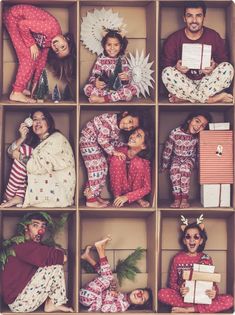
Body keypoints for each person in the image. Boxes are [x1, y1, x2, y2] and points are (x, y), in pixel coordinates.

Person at [0, 108, 76, 208]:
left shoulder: (56, 138)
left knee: (23, 152)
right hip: (45, 186)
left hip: (58, 191)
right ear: (31, 123)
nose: (38, 122)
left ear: (49, 123)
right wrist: (22, 137)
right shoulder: (38, 144)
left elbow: (38, 167)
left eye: (42, 119)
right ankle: (17, 196)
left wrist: (19, 156)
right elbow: (10, 152)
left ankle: (10, 195)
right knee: (24, 150)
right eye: (35, 119)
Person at [161, 1, 234, 104]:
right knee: (167, 73)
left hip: (208, 83)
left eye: (198, 15)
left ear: (204, 17)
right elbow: (165, 68)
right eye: (190, 16)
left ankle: (186, 99)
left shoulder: (213, 36)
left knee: (228, 68)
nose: (194, 20)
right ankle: (211, 100)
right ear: (184, 18)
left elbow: (224, 62)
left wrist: (214, 66)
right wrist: (177, 68)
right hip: (184, 84)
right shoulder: (173, 39)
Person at [158, 216, 233, 313]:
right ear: (184, 241)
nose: (192, 240)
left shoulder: (206, 259)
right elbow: (172, 283)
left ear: (201, 241)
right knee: (161, 293)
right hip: (183, 297)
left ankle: (189, 310)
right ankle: (198, 309)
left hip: (203, 298)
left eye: (196, 237)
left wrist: (213, 292)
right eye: (188, 237)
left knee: (230, 300)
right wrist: (181, 289)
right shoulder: (177, 258)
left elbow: (213, 284)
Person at [1, 212, 73, 313]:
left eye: (43, 226)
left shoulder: (26, 245)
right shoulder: (23, 246)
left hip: (20, 299)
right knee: (55, 266)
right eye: (35, 225)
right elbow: (63, 258)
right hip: (20, 303)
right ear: (26, 227)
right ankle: (54, 303)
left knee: (51, 263)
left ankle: (50, 303)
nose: (41, 230)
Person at [3, 4, 76, 103]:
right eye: (63, 47)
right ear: (66, 39)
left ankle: (21, 88)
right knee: (28, 58)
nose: (57, 47)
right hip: (14, 17)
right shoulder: (51, 28)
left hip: (16, 21)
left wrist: (35, 82)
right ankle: (16, 92)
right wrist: (32, 44)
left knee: (34, 57)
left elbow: (41, 62)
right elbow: (22, 24)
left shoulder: (49, 44)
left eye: (58, 51)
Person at [80, 111, 142, 208]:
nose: (128, 126)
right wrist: (114, 152)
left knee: (103, 168)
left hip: (95, 144)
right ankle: (90, 199)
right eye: (130, 121)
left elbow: (112, 142)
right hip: (88, 141)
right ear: (125, 114)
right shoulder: (110, 121)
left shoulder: (116, 127)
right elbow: (102, 139)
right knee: (97, 169)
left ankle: (95, 195)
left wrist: (125, 145)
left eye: (132, 127)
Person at [80, 236, 152, 312]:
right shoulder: (123, 296)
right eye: (141, 291)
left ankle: (100, 249)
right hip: (90, 293)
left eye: (142, 299)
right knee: (109, 278)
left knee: (108, 278)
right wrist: (112, 287)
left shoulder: (123, 306)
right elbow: (108, 292)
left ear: (137, 305)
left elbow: (105, 309)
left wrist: (111, 295)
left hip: (88, 299)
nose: (139, 295)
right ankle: (87, 257)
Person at [161, 111, 212, 208]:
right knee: (174, 170)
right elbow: (168, 149)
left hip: (189, 159)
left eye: (203, 126)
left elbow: (199, 152)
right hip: (176, 158)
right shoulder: (175, 132)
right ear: (189, 120)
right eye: (197, 121)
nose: (198, 126)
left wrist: (199, 166)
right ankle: (177, 198)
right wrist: (164, 164)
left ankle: (184, 199)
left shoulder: (198, 137)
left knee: (184, 169)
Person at [84, 29, 137, 103]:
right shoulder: (100, 60)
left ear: (121, 46)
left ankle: (102, 99)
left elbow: (128, 80)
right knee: (87, 88)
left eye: (116, 45)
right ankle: (110, 98)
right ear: (104, 45)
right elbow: (92, 77)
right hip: (104, 90)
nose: (112, 48)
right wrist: (95, 82)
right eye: (109, 44)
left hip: (118, 90)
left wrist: (126, 78)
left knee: (131, 90)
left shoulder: (123, 60)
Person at [109, 128, 152, 208]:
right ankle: (117, 197)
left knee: (138, 162)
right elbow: (101, 164)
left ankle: (138, 198)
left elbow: (147, 187)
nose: (132, 136)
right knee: (118, 158)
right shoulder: (118, 150)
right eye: (134, 133)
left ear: (143, 145)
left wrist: (128, 197)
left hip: (135, 191)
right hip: (119, 187)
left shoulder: (144, 162)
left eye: (138, 136)